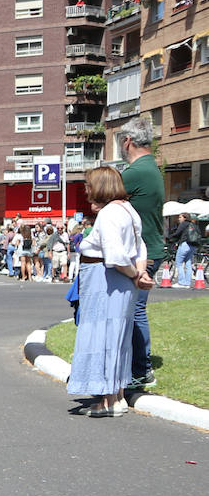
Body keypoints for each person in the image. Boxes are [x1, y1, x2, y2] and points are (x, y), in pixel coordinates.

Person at [67, 167, 152, 416]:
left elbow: (114, 255)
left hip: (105, 280)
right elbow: (140, 247)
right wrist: (139, 273)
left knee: (102, 336)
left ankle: (107, 401)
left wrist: (135, 274)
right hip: (121, 282)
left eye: (89, 185)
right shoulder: (128, 210)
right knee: (118, 338)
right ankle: (117, 395)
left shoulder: (108, 214)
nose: (86, 190)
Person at [117, 118, 165, 390]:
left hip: (141, 253)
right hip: (148, 249)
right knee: (135, 310)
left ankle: (142, 370)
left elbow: (103, 196)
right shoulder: (150, 167)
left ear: (127, 142)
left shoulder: (135, 172)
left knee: (134, 311)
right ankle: (137, 367)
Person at [169, 212, 202, 287]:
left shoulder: (183, 224)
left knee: (179, 263)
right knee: (188, 263)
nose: (179, 219)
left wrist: (169, 237)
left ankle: (181, 282)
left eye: (180, 217)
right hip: (192, 245)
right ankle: (187, 283)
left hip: (185, 244)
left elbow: (177, 233)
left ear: (185, 218)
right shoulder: (193, 224)